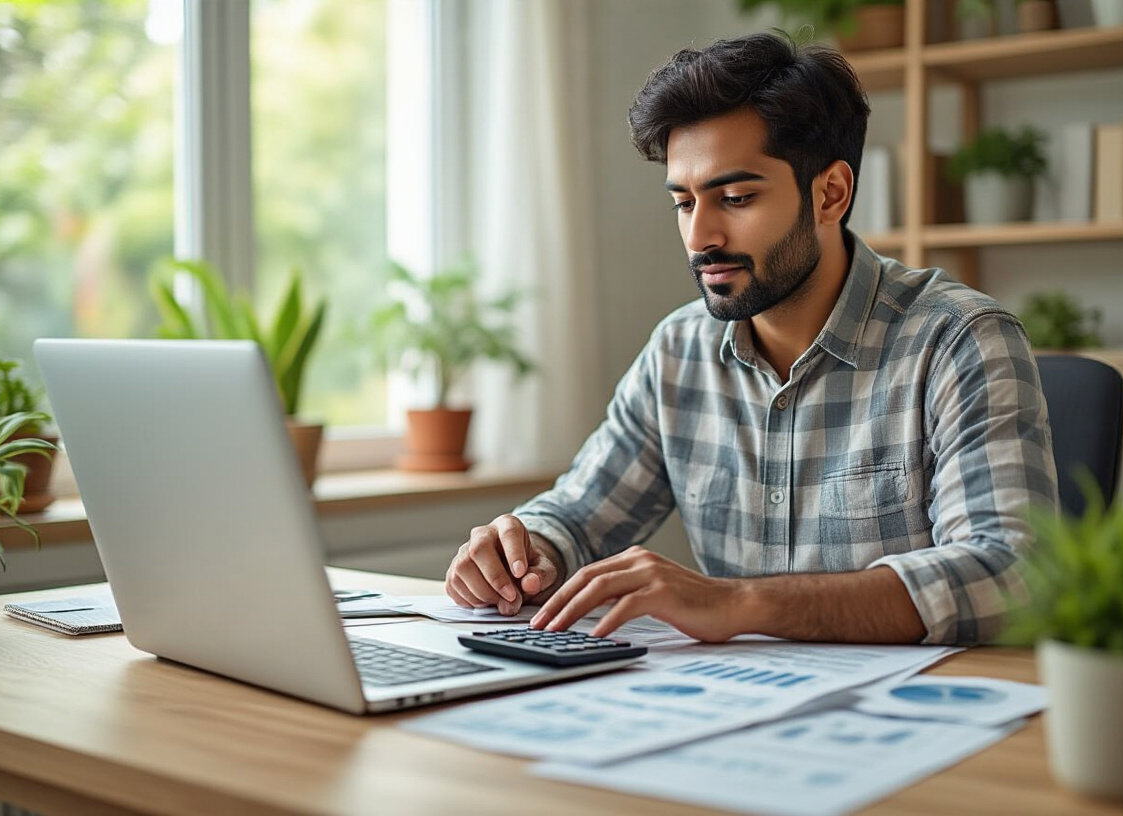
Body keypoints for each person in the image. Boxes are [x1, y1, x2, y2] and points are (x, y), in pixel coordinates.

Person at [444, 31, 1057, 646]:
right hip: (730, 710)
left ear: (830, 194)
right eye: (684, 203)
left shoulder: (959, 340)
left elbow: (1009, 572)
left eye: (735, 197)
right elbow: (578, 514)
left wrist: (740, 602)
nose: (700, 235)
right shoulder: (678, 352)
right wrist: (525, 549)